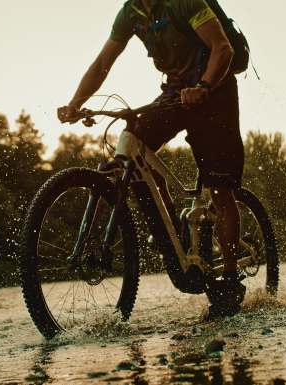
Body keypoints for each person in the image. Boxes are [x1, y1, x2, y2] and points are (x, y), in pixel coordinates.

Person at [57, 0, 245, 318]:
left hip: (215, 90)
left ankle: (229, 278)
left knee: (220, 189)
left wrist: (204, 86)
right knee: (133, 143)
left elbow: (222, 48)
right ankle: (174, 233)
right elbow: (103, 62)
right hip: (174, 92)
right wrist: (76, 103)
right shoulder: (131, 12)